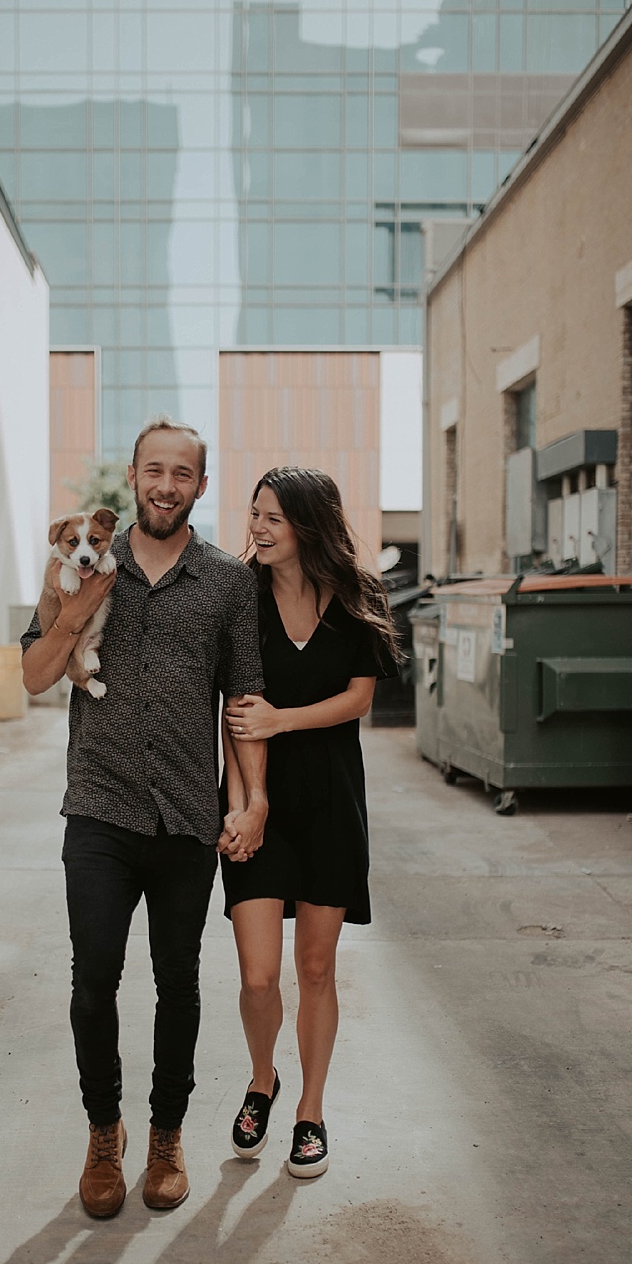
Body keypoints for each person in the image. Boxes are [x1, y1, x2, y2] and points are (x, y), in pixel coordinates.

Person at [22, 416, 268, 1219]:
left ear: (202, 483)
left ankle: (165, 1135)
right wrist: (71, 614)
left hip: (186, 817)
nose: (167, 484)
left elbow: (243, 701)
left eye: (183, 473)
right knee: (93, 982)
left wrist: (251, 799)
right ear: (132, 477)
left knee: (179, 983)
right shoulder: (80, 560)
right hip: (99, 805)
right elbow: (33, 676)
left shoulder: (229, 581)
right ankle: (104, 1131)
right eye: (153, 469)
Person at [217, 467, 402, 1179]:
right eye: (254, 514)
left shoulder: (357, 593)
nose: (258, 528)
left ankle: (310, 1110)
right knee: (259, 976)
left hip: (330, 801)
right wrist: (241, 804)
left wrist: (284, 718)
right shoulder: (240, 596)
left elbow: (359, 699)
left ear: (308, 524)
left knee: (316, 969)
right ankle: (264, 1079)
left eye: (273, 517)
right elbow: (236, 713)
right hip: (255, 795)